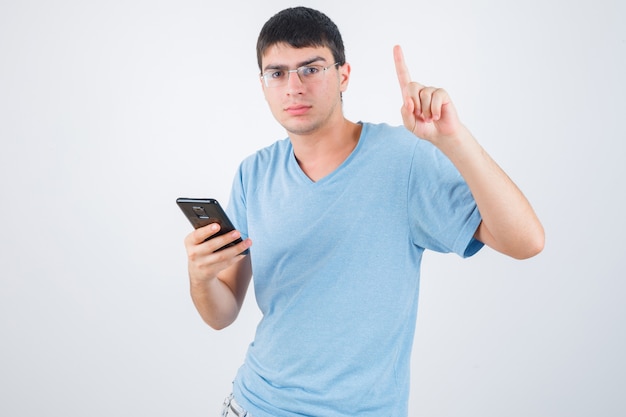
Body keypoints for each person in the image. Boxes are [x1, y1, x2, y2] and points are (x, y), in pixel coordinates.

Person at [183, 6, 544, 417]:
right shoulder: (254, 173)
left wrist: (454, 141)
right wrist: (200, 277)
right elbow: (222, 313)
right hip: (255, 404)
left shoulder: (403, 159)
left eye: (312, 68)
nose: (294, 87)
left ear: (344, 75)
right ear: (263, 84)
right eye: (277, 73)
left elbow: (526, 242)